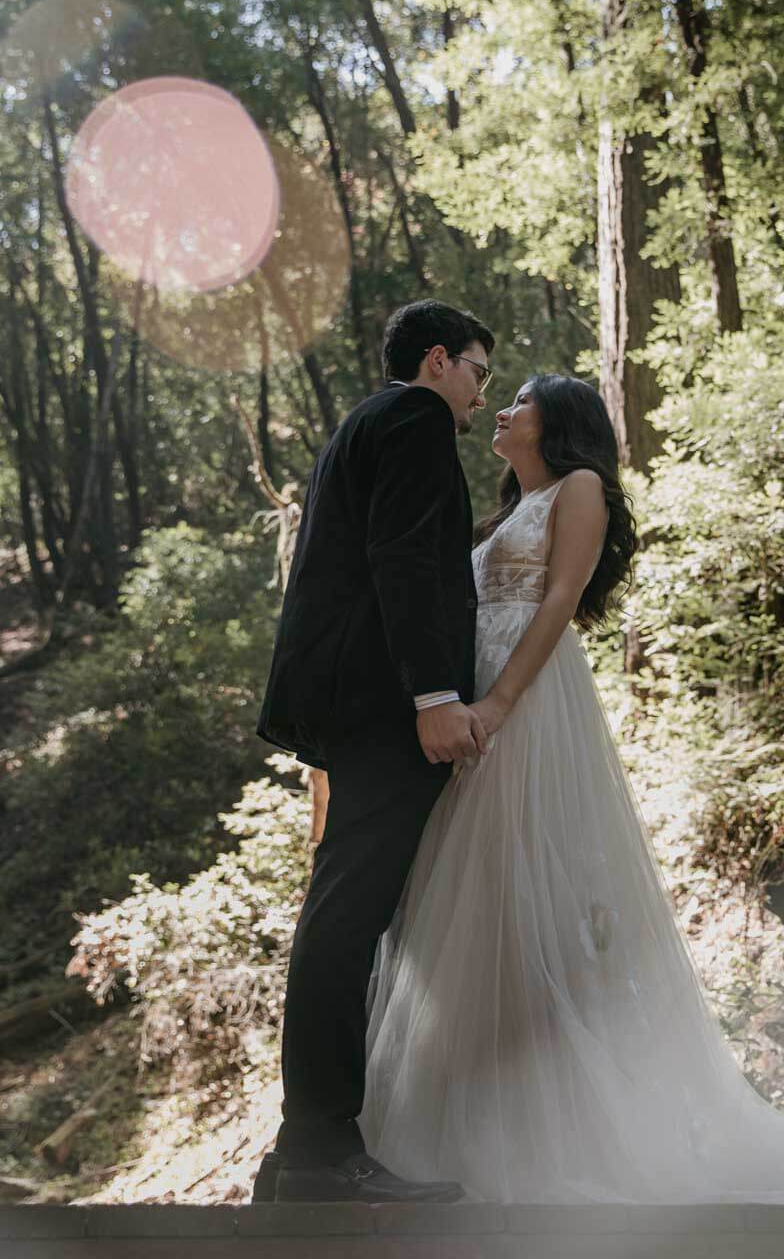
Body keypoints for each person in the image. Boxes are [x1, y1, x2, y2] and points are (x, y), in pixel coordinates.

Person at [357, 373, 784, 1206]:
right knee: (473, 907)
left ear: (559, 422)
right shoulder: (508, 509)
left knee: (525, 895)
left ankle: (551, 1130)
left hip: (526, 700)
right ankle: (475, 1119)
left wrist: (500, 702)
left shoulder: (579, 486)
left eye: (520, 401)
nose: (502, 410)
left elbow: (560, 599)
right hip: (473, 695)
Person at [252, 300, 495, 1204]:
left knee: (343, 910)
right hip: (382, 705)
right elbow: (404, 558)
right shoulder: (414, 419)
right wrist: (433, 695)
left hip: (348, 697)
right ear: (437, 361)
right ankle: (318, 1150)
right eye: (477, 372)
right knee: (347, 913)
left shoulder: (367, 422)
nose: (480, 395)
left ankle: (302, 1146)